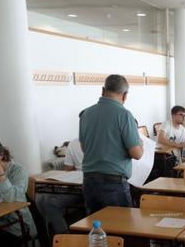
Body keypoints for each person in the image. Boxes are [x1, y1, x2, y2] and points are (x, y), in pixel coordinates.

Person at [76, 74, 143, 213]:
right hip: (114, 182)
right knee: (121, 227)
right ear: (125, 95)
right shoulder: (124, 115)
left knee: (96, 225)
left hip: (89, 180)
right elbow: (136, 154)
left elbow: (84, 147)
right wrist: (141, 144)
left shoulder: (86, 114)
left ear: (102, 90)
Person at [35, 138, 84, 235]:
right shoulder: (74, 144)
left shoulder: (74, 143)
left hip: (84, 185)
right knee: (41, 197)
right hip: (79, 183)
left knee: (47, 202)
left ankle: (61, 235)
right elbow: (67, 169)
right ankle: (54, 235)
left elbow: (67, 169)